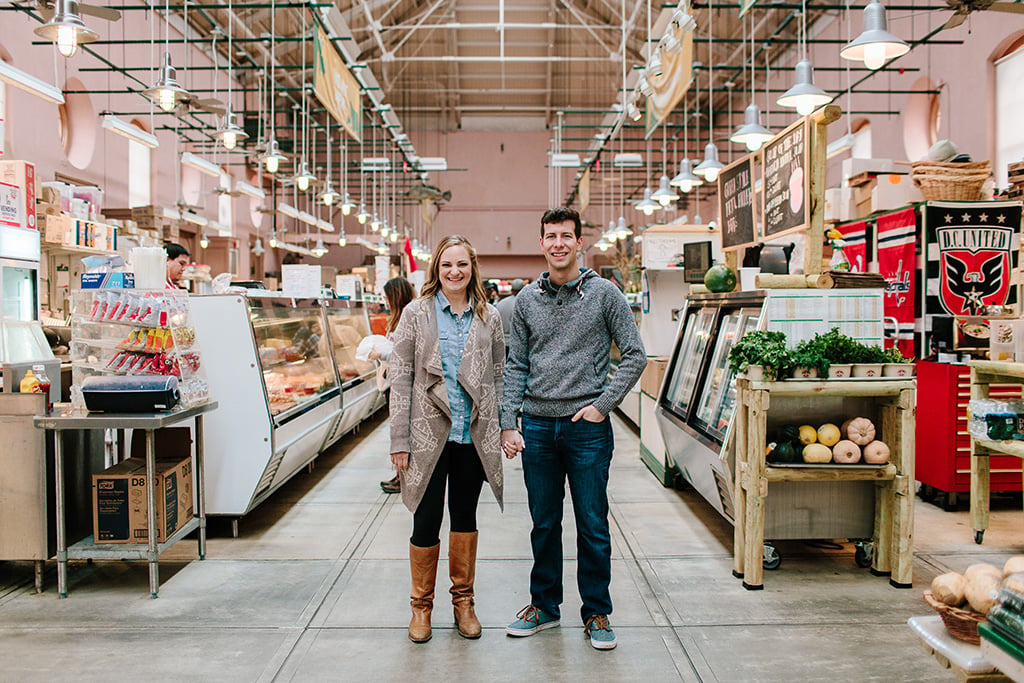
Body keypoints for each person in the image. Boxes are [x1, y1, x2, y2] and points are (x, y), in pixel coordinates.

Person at [500, 207, 645, 651]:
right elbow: (516, 365)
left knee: (592, 524)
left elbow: (635, 355)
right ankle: (544, 606)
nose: (558, 243)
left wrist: (603, 406)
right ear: (541, 243)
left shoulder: (606, 295)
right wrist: (509, 422)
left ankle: (596, 612)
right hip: (539, 428)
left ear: (580, 243)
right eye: (551, 236)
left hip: (587, 429)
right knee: (544, 523)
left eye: (567, 236)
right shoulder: (525, 301)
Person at [389, 235, 506, 644]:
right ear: (435, 270)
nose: (454, 272)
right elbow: (400, 378)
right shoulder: (416, 313)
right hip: (426, 437)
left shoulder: (489, 316)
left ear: (472, 268)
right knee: (425, 519)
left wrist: (504, 425)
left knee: (465, 517)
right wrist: (398, 440)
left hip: (471, 436)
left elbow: (498, 375)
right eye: (446, 265)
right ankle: (421, 607)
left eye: (461, 265)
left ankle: (464, 603)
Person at [370, 276, 415, 494]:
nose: (386, 302)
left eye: (388, 297)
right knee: (397, 430)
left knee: (402, 431)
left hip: (400, 382)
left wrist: (381, 352)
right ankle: (400, 474)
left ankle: (403, 476)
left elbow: (405, 353)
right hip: (393, 381)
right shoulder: (397, 318)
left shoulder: (408, 319)